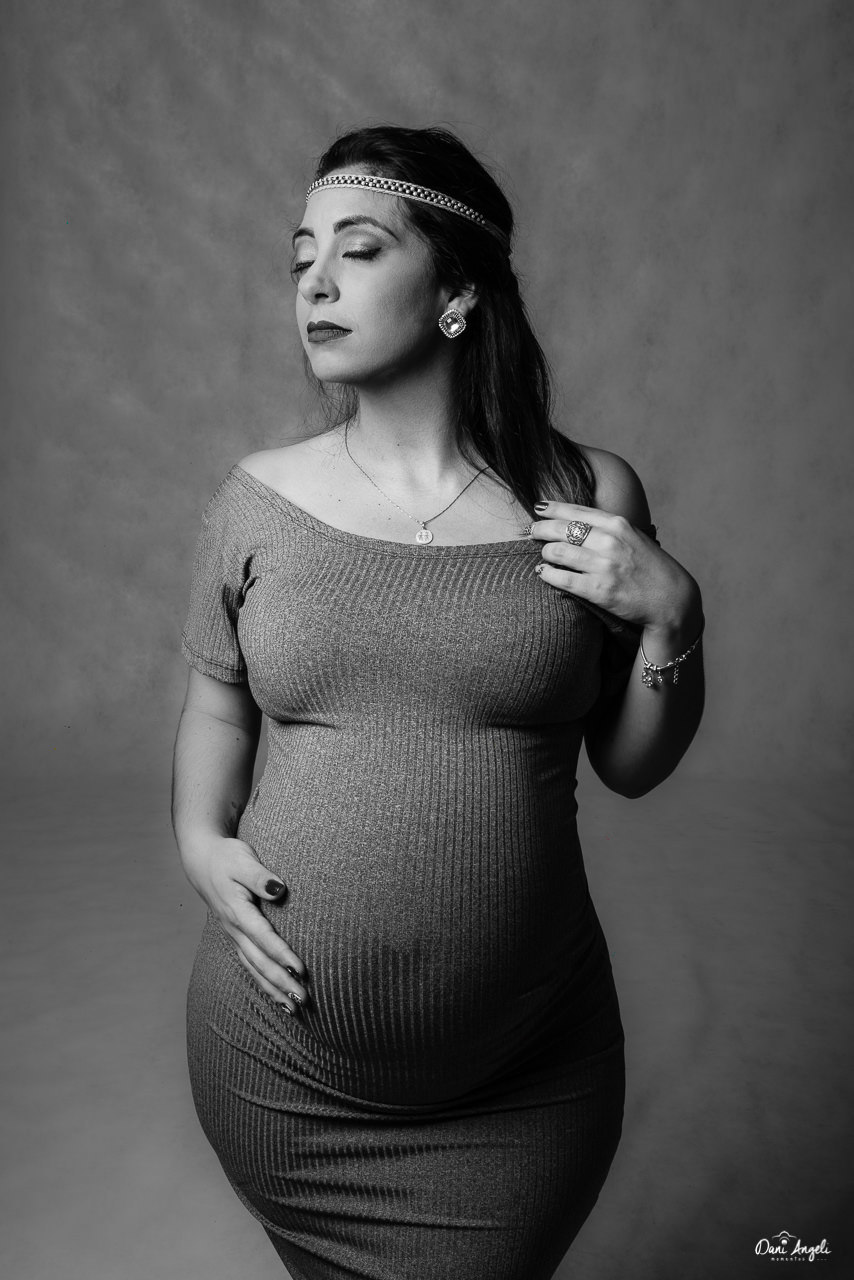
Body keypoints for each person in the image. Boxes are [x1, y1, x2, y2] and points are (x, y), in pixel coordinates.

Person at [171, 124, 705, 1280]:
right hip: (282, 1079)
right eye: (301, 255)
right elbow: (218, 702)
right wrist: (199, 840)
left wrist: (672, 619)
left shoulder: (583, 497)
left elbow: (631, 763)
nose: (315, 281)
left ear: (458, 292)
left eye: (358, 250)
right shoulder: (257, 500)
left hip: (524, 1078)